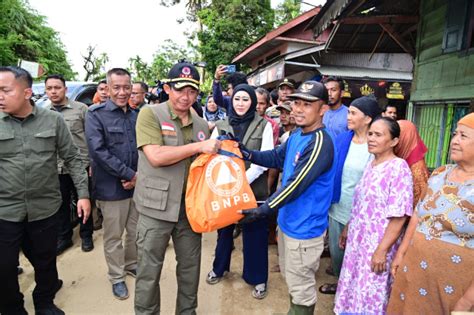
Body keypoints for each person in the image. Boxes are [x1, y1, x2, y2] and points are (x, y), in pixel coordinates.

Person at [239, 81, 336, 314]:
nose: (299, 109)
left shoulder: (320, 142)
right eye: (296, 103)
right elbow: (276, 157)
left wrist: (263, 210)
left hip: (304, 231)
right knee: (293, 283)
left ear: (323, 109)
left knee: (301, 290)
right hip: (288, 223)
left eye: (307, 104)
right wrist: (248, 153)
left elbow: (296, 186)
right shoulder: (296, 135)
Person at [0, 66, 90, 315]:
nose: (0, 96)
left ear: (27, 92)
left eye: (5, 90)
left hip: (45, 208)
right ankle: (12, 307)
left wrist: (83, 195)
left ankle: (44, 302)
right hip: (5, 210)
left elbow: (72, 158)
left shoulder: (53, 120)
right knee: (5, 266)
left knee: (45, 260)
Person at [133, 62, 221, 314]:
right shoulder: (150, 114)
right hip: (155, 209)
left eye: (192, 91)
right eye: (180, 89)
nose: (186, 96)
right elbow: (156, 156)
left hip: (189, 210)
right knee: (149, 272)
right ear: (168, 88)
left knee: (190, 269)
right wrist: (198, 147)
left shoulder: (201, 124)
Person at [387, 113, 474, 313]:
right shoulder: (440, 173)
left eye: (464, 136)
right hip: (415, 270)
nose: (455, 141)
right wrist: (401, 253)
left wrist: (466, 303)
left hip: (454, 285)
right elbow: (418, 214)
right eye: (455, 134)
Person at [334, 117, 413, 314]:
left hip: (377, 244)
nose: (372, 138)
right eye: (370, 133)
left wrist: (381, 250)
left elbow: (399, 216)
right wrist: (349, 226)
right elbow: (362, 203)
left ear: (394, 141)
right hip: (358, 242)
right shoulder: (371, 163)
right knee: (354, 286)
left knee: (371, 291)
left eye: (378, 135)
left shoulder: (399, 168)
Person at [206, 84, 274, 299]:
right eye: (237, 99)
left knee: (255, 235)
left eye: (246, 99)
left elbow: (266, 159)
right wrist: (229, 184)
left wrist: (241, 181)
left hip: (253, 191)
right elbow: (212, 154)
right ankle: (219, 268)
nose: (241, 103)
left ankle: (258, 278)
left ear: (253, 102)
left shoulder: (264, 125)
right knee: (224, 232)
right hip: (225, 190)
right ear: (231, 101)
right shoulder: (221, 124)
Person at [85, 68, 139, 300]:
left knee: (136, 232)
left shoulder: (137, 115)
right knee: (113, 236)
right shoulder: (95, 114)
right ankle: (117, 277)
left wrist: (137, 176)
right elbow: (98, 152)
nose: (122, 92)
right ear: (107, 88)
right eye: (116, 87)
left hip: (137, 185)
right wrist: (128, 174)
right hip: (111, 188)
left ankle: (131, 264)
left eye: (126, 87)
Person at [318, 95, 380, 295]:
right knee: (337, 254)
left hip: (362, 213)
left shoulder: (376, 145)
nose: (348, 116)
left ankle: (354, 293)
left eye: (353, 113)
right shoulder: (343, 138)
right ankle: (340, 285)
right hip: (338, 206)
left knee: (357, 256)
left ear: (368, 118)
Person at [44, 74, 94, 254]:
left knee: (84, 199)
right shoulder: (43, 113)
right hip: (55, 167)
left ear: (65, 89)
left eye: (57, 87)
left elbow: (91, 137)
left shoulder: (81, 109)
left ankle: (86, 235)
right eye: (49, 88)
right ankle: (64, 237)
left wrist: (93, 164)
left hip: (80, 164)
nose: (53, 91)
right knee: (61, 204)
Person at [394, 120, 429, 207]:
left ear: (406, 137)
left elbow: (418, 203)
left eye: (399, 136)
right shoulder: (400, 159)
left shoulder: (417, 170)